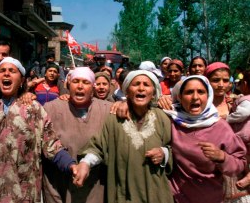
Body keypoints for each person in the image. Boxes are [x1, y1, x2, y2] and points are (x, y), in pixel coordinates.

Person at [0, 58, 76, 202]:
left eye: (12, 71)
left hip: (20, 194)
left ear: (22, 80)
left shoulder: (34, 110)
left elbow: (52, 145)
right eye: (2, 71)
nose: (6, 74)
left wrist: (71, 165)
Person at [74, 70, 174, 203]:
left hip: (155, 193)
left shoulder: (163, 118)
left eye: (146, 85)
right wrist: (85, 163)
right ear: (127, 91)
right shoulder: (114, 118)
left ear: (154, 92)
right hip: (122, 194)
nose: (141, 88)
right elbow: (99, 146)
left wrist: (164, 153)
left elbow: (176, 150)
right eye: (136, 84)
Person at [163, 75, 246, 203]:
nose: (195, 97)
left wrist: (222, 157)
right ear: (179, 97)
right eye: (189, 92)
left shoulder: (221, 127)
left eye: (201, 92)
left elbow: (240, 164)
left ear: (208, 96)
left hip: (210, 197)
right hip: (175, 197)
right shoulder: (171, 121)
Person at [42, 67, 112, 203]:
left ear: (93, 88)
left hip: (95, 187)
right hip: (58, 185)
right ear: (68, 85)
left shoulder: (108, 110)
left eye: (85, 82)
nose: (80, 86)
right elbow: (46, 143)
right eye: (76, 81)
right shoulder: (51, 108)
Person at [224, 69, 250, 202]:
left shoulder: (247, 100)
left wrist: (228, 118)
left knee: (246, 158)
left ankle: (248, 177)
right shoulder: (242, 98)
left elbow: (243, 113)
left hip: (245, 136)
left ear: (245, 83)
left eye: (239, 84)